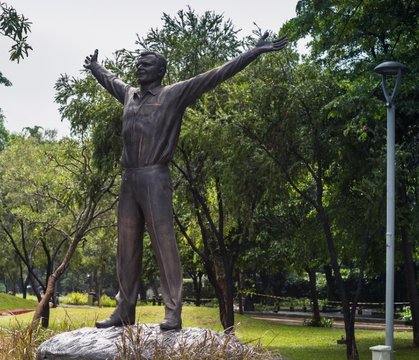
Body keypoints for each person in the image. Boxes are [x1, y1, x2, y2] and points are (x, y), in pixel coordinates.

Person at [84, 32, 287, 331]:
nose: (139, 67)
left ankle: (172, 312)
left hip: (155, 176)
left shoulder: (173, 94)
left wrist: (253, 53)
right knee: (126, 249)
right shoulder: (129, 95)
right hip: (129, 180)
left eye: (146, 63)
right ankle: (124, 310)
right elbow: (110, 79)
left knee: (164, 245)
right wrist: (96, 68)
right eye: (138, 63)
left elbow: (216, 74)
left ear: (160, 71)